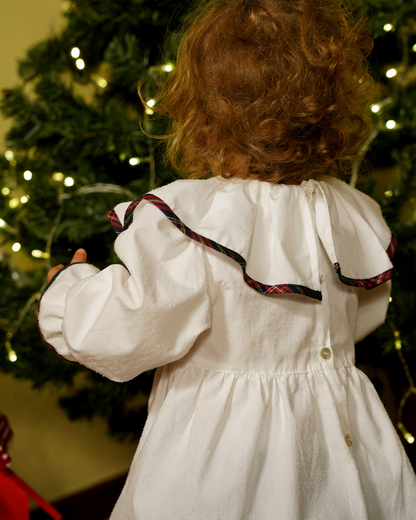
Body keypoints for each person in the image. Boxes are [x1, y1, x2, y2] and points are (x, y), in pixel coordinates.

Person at [38, 0, 416, 518]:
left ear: (202, 113)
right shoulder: (352, 211)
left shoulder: (201, 224)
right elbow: (365, 314)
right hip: (340, 433)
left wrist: (68, 290)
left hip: (224, 453)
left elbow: (125, 327)